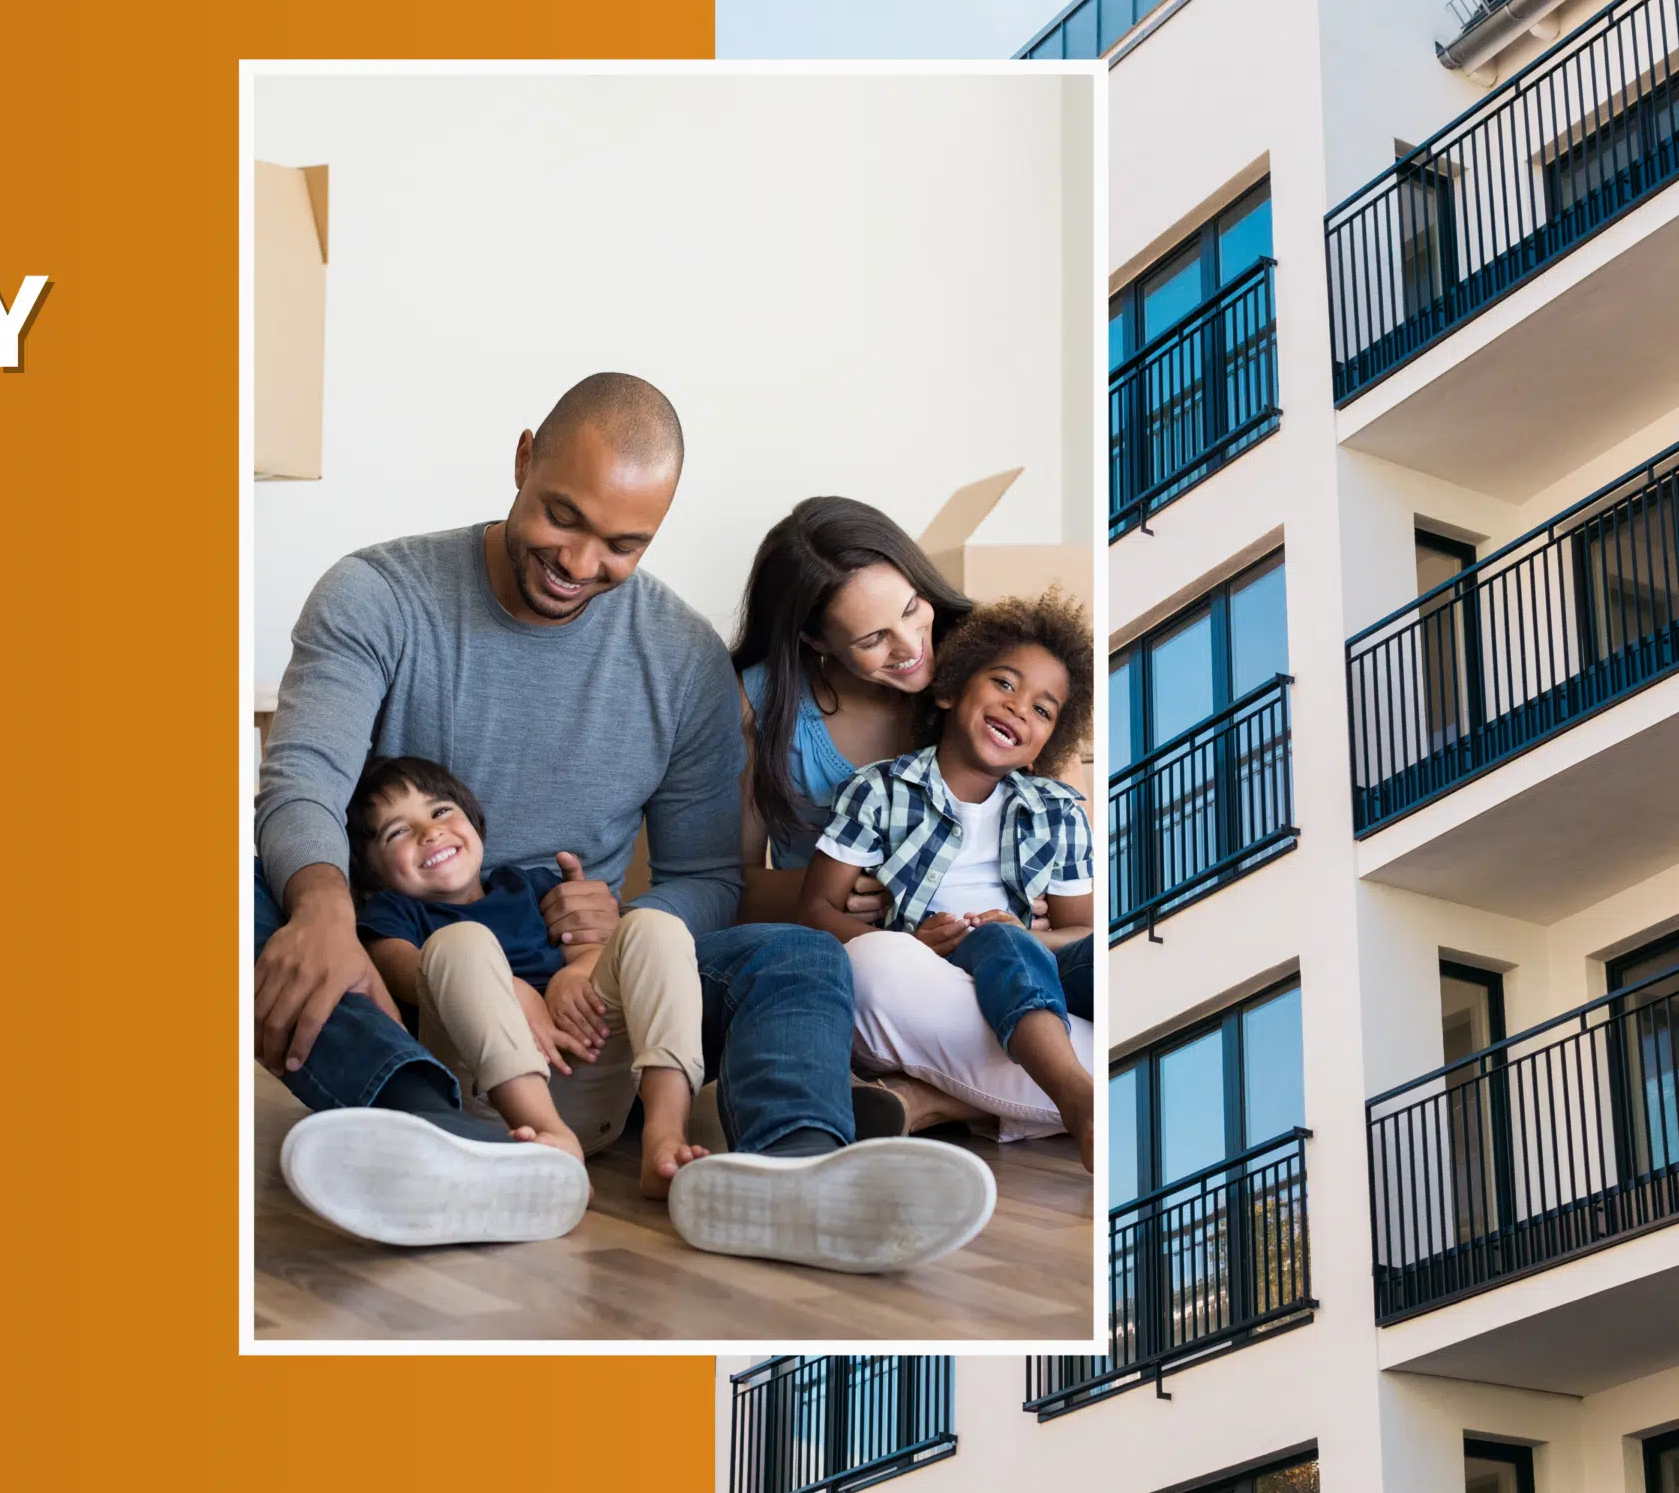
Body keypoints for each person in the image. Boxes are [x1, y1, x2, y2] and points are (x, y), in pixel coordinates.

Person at [255, 372, 993, 1269]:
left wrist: (606, 947)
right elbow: (303, 780)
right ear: (526, 459)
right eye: (562, 517)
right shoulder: (379, 595)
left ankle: (795, 1167)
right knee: (244, 890)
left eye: (621, 545)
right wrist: (324, 911)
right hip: (406, 982)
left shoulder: (681, 661)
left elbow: (708, 878)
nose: (577, 563)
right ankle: (433, 1132)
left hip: (599, 1015)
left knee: (795, 954)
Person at [727, 497, 1094, 1135]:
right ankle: (1069, 1097)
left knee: (1095, 974)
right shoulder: (765, 702)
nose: (912, 648)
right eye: (873, 639)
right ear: (816, 639)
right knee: (880, 971)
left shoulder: (998, 667)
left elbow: (1078, 900)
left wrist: (1041, 926)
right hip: (886, 965)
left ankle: (933, 1102)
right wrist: (867, 900)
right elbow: (729, 884)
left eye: (911, 609)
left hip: (1017, 963)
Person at [799, 591, 1099, 1160]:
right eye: (1005, 684)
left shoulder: (1059, 809)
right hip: (932, 972)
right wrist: (911, 943)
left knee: (1105, 958)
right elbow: (815, 912)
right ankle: (1077, 1095)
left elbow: (1079, 935)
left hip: (1035, 967)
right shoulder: (878, 790)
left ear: (1047, 742)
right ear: (949, 688)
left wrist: (1024, 935)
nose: (1018, 708)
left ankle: (934, 1101)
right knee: (933, 954)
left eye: (1043, 709)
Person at [344, 754, 711, 1205]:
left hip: (590, 1067)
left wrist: (574, 974)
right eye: (397, 831)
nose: (430, 831)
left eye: (440, 811)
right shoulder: (392, 914)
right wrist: (512, 991)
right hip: (494, 1103)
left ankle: (665, 1135)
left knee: (655, 927)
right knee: (460, 942)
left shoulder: (527, 884)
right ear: (370, 872)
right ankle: (549, 1136)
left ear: (475, 824)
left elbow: (587, 946)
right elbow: (401, 972)